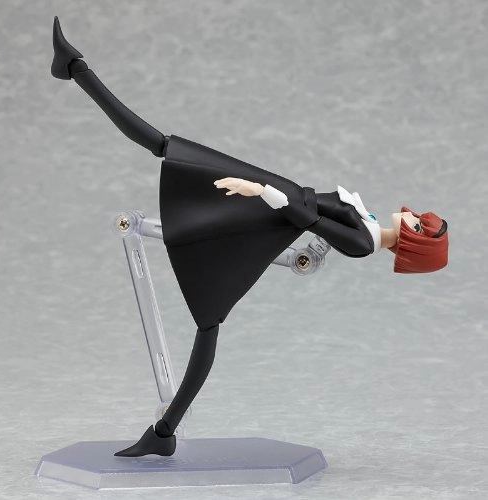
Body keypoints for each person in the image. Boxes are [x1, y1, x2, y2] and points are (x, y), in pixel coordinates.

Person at [50, 17, 449, 457]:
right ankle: (75, 70)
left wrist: (259, 191)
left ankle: (164, 431)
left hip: (267, 214)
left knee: (208, 322)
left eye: (418, 226)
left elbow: (307, 218)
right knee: (167, 148)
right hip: (273, 199)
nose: (413, 217)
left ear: (412, 242)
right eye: (420, 219)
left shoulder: (363, 243)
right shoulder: (370, 223)